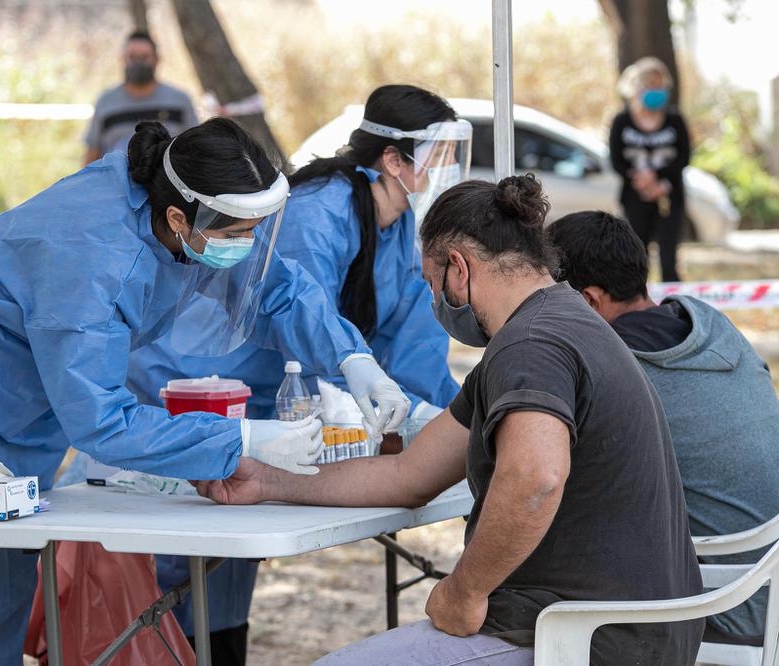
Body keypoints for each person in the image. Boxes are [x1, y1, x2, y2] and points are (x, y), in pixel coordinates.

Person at [0, 117, 411, 665]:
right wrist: (245, 436)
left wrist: (353, 358)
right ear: (179, 219)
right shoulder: (93, 257)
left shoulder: (177, 204)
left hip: (20, 392)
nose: (249, 244)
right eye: (240, 231)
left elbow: (278, 285)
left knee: (3, 582)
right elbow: (102, 422)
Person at [194, 175, 705, 665]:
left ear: (458, 268)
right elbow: (408, 474)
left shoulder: (531, 345)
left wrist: (466, 590)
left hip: (580, 638)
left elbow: (535, 478)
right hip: (629, 629)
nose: (435, 301)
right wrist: (268, 480)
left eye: (431, 284)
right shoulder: (559, 322)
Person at [119, 84, 470, 661]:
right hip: (190, 387)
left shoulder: (401, 227)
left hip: (262, 408)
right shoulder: (324, 210)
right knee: (183, 555)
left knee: (228, 563)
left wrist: (448, 419)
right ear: (392, 160)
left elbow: (412, 344)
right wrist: (345, 374)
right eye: (441, 156)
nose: (450, 171)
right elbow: (300, 318)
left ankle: (221, 647)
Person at [548, 210, 779, 646]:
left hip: (723, 607)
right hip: (769, 587)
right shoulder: (711, 322)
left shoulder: (611, 366)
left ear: (590, 300)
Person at [609, 56, 691, 283]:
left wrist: (658, 180)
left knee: (668, 260)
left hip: (669, 198)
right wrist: (639, 179)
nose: (656, 90)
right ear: (635, 87)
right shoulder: (622, 121)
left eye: (660, 85)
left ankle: (673, 310)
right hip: (634, 197)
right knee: (636, 258)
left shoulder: (675, 120)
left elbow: (684, 157)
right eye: (649, 85)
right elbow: (616, 160)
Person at [83, 30, 198, 163]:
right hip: (117, 181)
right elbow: (92, 154)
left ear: (157, 59)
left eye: (144, 57)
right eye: (132, 57)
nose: (138, 63)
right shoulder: (106, 101)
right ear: (122, 59)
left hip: (166, 181)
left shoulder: (179, 101)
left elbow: (195, 149)